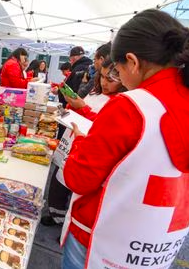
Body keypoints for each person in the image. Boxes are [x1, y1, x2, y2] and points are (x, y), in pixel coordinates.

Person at [62, 9, 189, 268]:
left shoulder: (130, 106)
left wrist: (78, 142)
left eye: (118, 71)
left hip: (100, 244)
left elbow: (79, 179)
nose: (118, 79)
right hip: (155, 250)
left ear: (132, 61)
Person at [41, 59, 125, 228]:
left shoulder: (119, 103)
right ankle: (55, 213)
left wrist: (83, 108)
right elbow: (78, 114)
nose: (104, 83)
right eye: (101, 77)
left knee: (75, 192)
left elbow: (101, 128)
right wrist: (72, 105)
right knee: (58, 183)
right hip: (70, 143)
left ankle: (67, 222)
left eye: (110, 80)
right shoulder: (95, 92)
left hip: (87, 153)